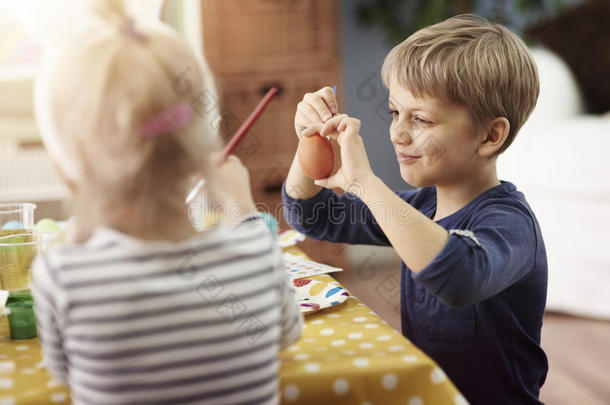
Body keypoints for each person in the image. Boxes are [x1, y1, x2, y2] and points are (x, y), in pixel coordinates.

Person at [31, 1, 302, 403]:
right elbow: (288, 334)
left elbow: (62, 372)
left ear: (66, 167)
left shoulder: (62, 276)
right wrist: (243, 209)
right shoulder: (255, 251)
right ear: (198, 144)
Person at [282, 14, 547, 405]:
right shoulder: (421, 207)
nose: (397, 132)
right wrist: (310, 140)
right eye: (394, 113)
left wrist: (365, 185)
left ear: (490, 136)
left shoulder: (511, 224)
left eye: (420, 119)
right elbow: (313, 216)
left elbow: (458, 274)